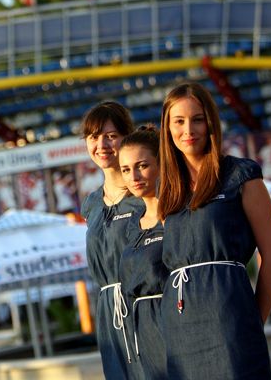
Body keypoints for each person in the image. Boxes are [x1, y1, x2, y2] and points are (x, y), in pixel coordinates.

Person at [157, 82, 271, 379]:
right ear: (167, 127)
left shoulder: (241, 175)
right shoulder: (167, 191)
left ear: (211, 123)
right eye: (179, 121)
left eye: (197, 119)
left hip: (232, 325)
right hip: (180, 333)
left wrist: (252, 321)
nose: (188, 129)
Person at [79, 101, 145, 379]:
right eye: (94, 137)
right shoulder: (91, 204)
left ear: (126, 138)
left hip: (145, 309)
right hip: (109, 315)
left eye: (111, 135)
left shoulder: (145, 194)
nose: (101, 144)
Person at [117, 126, 168, 379]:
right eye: (126, 169)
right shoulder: (132, 224)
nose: (134, 176)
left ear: (161, 164)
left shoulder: (177, 216)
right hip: (142, 337)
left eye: (142, 166)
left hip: (175, 327)